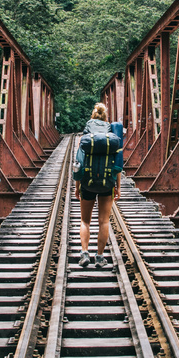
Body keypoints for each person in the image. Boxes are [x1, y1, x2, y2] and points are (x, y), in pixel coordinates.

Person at [77, 102, 121, 268]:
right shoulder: (112, 136)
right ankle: (100, 257)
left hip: (87, 183)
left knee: (85, 221)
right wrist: (117, 187)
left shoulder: (85, 137)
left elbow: (78, 163)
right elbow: (118, 166)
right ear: (105, 117)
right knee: (103, 221)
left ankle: (84, 253)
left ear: (92, 116)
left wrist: (77, 186)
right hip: (107, 183)